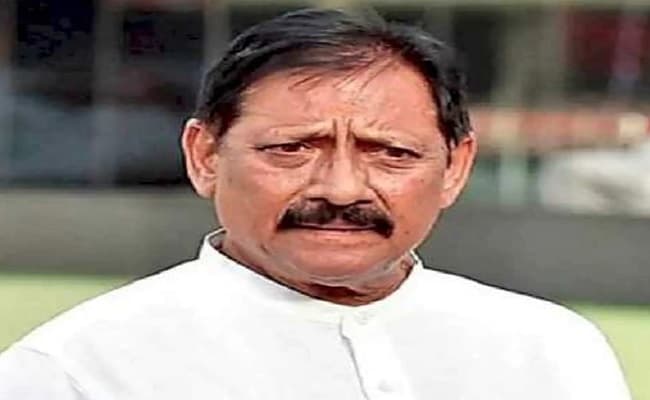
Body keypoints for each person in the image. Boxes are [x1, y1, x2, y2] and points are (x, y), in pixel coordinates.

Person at [0, 8, 631, 400]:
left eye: (391, 153)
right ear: (205, 156)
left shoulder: (548, 350)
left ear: (455, 168)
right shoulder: (77, 370)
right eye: (292, 149)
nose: (342, 189)